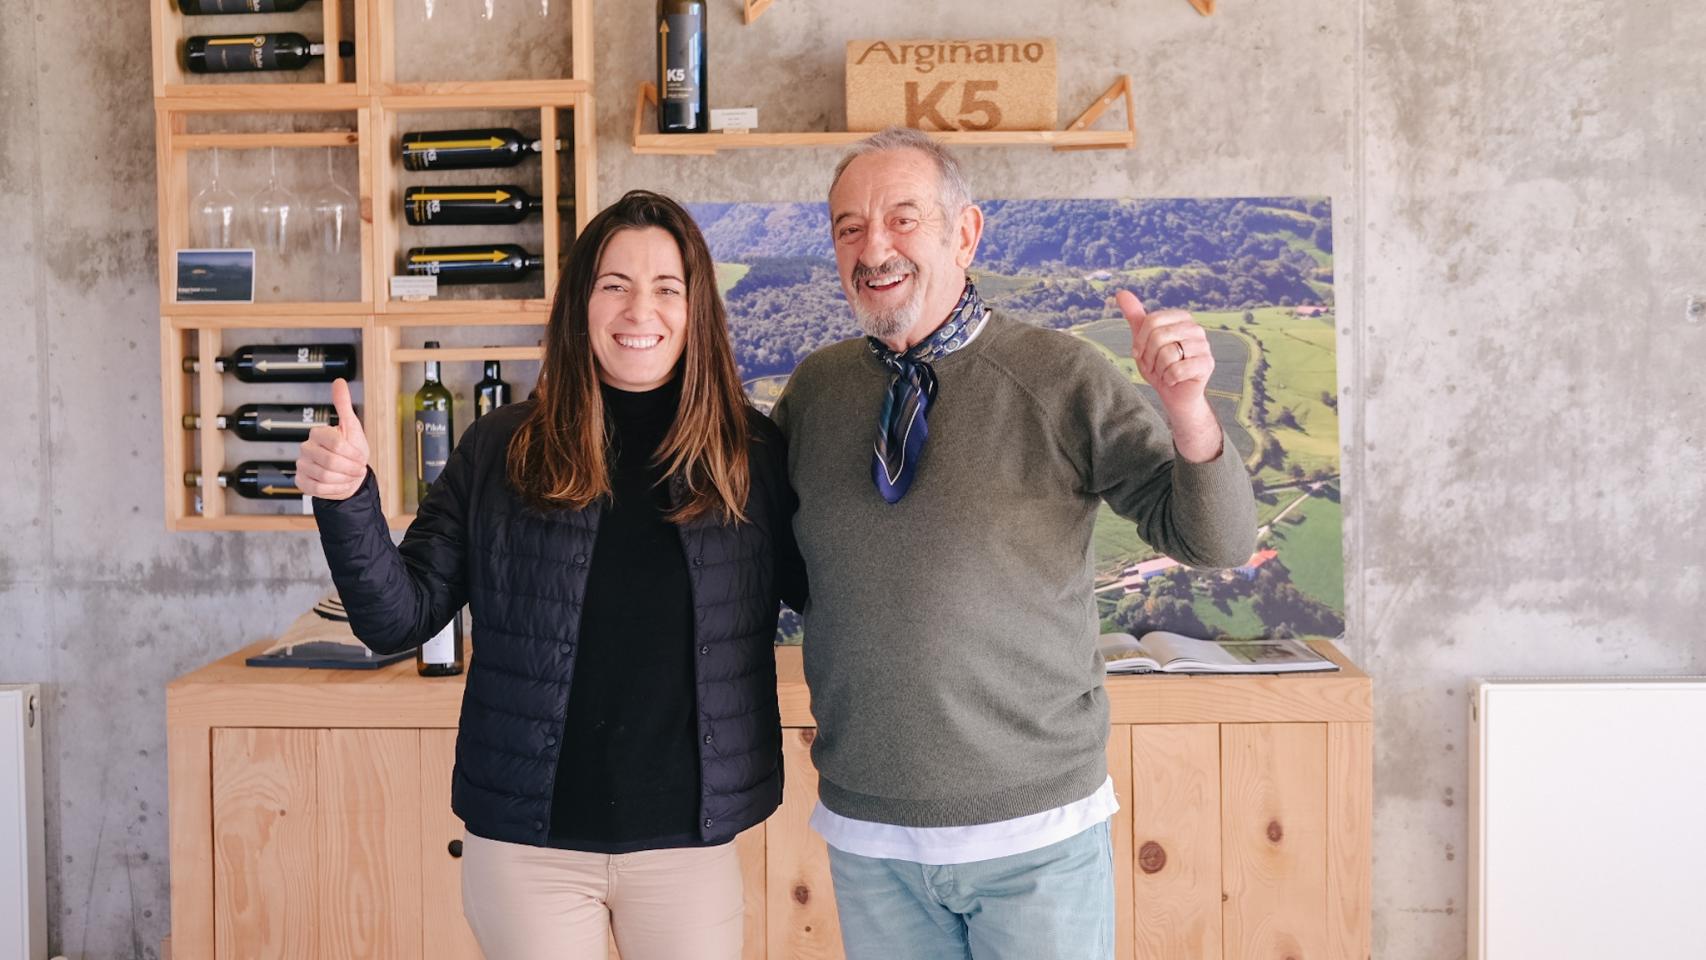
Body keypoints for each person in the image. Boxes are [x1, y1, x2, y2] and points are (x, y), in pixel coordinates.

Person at [770, 128, 1258, 959]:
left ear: (965, 233)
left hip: (1036, 833)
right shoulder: (818, 390)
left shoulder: (1060, 376)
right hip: (869, 832)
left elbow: (1214, 540)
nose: (873, 246)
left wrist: (1187, 410)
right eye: (849, 227)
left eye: (902, 218)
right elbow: (760, 553)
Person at [296, 190, 805, 960]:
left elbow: (831, 589)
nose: (642, 310)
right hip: (527, 851)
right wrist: (346, 502)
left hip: (687, 845)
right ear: (581, 305)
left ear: (697, 309)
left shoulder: (751, 455)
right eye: (615, 285)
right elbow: (398, 617)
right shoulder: (502, 449)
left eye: (667, 288)